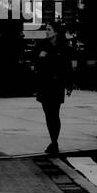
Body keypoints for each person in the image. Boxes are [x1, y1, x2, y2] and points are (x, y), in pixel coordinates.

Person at [33, 21, 75, 155]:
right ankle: (54, 141)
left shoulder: (64, 47)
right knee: (48, 114)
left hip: (57, 85)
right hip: (45, 85)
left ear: (56, 32)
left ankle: (54, 141)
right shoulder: (42, 45)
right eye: (46, 29)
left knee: (54, 114)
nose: (47, 31)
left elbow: (67, 67)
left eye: (49, 29)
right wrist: (41, 58)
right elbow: (36, 64)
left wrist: (69, 85)